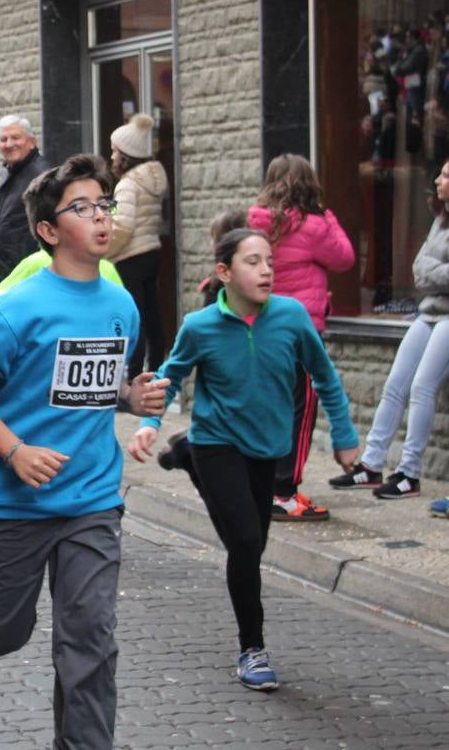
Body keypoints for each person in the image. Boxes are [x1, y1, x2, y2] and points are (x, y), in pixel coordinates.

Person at [0, 154, 166, 749]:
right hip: (14, 500)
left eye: (105, 203)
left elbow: (93, 389)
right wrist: (14, 450)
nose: (100, 215)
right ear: (49, 231)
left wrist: (131, 396)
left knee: (90, 645)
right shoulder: (18, 306)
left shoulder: (121, 305)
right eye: (83, 207)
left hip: (92, 498)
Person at [129, 228, 358, 691]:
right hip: (219, 442)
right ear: (224, 273)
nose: (266, 270)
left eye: (269, 261)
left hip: (269, 449)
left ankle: (187, 456)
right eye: (252, 262)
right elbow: (169, 380)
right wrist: (149, 424)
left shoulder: (292, 318)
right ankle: (252, 649)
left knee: (255, 539)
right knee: (247, 544)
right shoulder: (200, 327)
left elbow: (324, 377)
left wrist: (346, 437)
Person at [331, 160, 449, 502]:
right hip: (428, 313)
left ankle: (409, 473)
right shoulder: (440, 219)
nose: (438, 180)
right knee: (395, 384)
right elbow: (418, 269)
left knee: (422, 388)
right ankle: (371, 464)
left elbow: (427, 271)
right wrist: (433, 272)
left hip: (447, 318)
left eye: (445, 175)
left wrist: (431, 272)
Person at [248, 154, 354, 521]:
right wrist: (329, 217)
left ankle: (261, 485)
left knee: (269, 407)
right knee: (301, 410)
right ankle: (283, 491)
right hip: (302, 330)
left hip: (261, 327)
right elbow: (344, 258)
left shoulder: (254, 221)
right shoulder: (315, 225)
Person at [107, 112, 170, 378]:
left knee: (135, 318)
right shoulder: (153, 179)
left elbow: (122, 226)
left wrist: (106, 252)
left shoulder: (127, 185)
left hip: (130, 256)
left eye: (114, 151)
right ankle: (155, 369)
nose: (111, 157)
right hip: (151, 251)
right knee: (152, 315)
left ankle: (134, 377)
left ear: (126, 154)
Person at [0, 115, 50, 295]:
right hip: (4, 276)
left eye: (15, 137)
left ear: (31, 142)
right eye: (3, 139)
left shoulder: (41, 175)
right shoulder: (9, 170)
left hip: (25, 279)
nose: (9, 143)